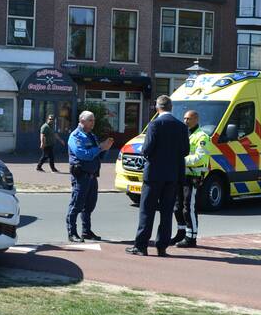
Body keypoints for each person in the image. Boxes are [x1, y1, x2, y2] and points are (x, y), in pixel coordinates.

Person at [128, 95, 189, 257]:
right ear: (171, 107)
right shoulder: (181, 126)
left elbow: (146, 149)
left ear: (157, 107)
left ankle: (141, 246)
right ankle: (162, 247)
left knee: (147, 210)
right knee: (167, 211)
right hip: (172, 175)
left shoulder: (154, 124)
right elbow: (185, 151)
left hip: (154, 174)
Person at [66, 110, 114, 243]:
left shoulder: (91, 135)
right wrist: (100, 148)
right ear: (82, 121)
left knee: (90, 205)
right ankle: (72, 232)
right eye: (90, 120)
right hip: (81, 175)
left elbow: (99, 155)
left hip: (92, 175)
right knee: (76, 204)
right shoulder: (75, 136)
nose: (93, 122)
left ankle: (86, 231)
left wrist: (106, 147)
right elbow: (82, 154)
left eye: (93, 120)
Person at [171, 109, 209, 248]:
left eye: (189, 119)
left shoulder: (202, 137)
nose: (186, 121)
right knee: (177, 207)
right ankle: (181, 233)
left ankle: (191, 238)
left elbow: (200, 158)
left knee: (189, 208)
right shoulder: (183, 134)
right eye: (185, 118)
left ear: (196, 120)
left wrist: (180, 160)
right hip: (181, 175)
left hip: (193, 176)